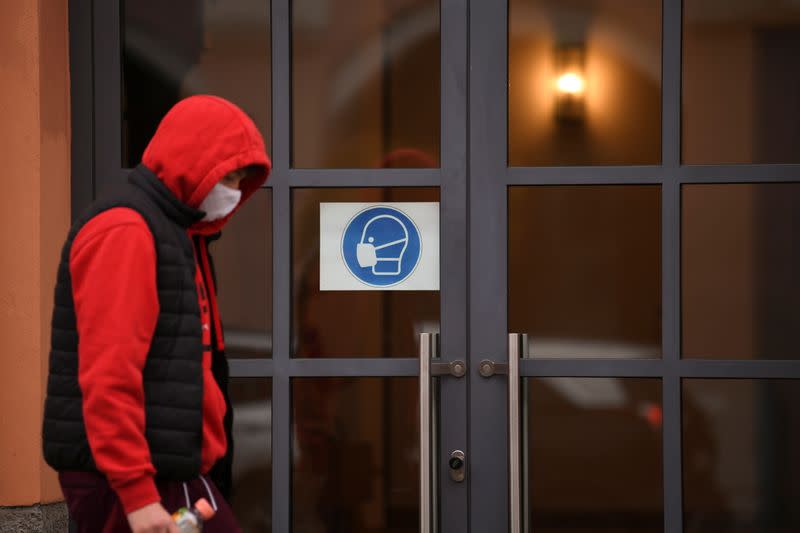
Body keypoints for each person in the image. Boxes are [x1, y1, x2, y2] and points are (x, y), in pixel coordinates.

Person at [42, 95, 271, 532]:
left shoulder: (173, 233)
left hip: (167, 472)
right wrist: (137, 494)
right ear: (192, 162)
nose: (234, 193)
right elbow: (110, 373)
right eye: (229, 176)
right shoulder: (128, 231)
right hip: (142, 478)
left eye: (242, 180)